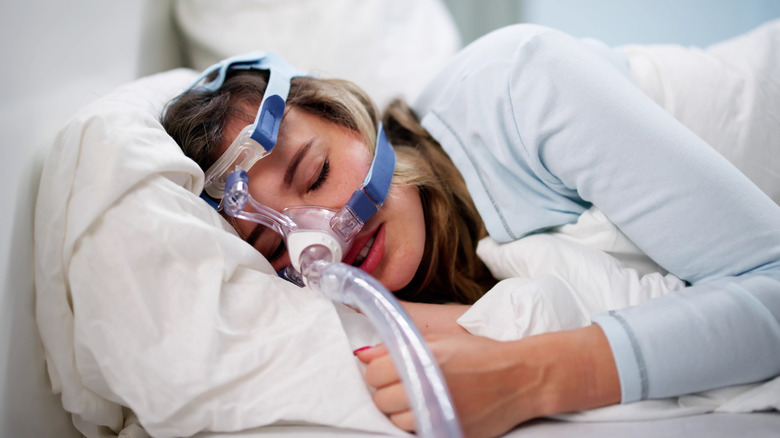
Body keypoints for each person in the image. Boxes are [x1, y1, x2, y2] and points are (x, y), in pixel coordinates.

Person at [162, 23, 780, 438]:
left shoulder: (517, 85)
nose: (326, 237)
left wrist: (529, 376)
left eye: (316, 174)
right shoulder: (370, 298)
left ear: (348, 116)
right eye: (275, 246)